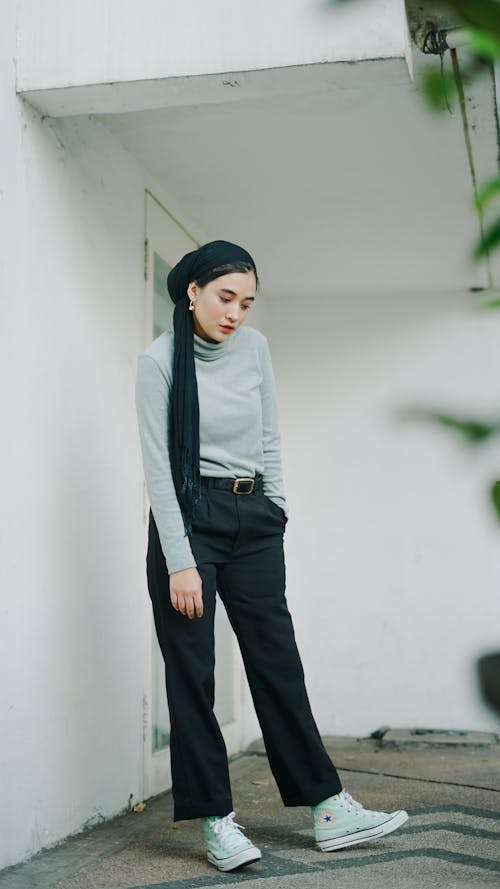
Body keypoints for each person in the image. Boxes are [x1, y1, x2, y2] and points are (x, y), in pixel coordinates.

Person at [135, 239, 409, 873]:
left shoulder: (253, 349)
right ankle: (215, 820)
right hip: (189, 520)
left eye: (247, 302)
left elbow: (267, 432)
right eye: (226, 297)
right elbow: (155, 469)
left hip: (252, 516)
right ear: (193, 292)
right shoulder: (159, 361)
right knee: (193, 674)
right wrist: (180, 559)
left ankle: (328, 808)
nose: (236, 314)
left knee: (276, 662)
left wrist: (275, 506)